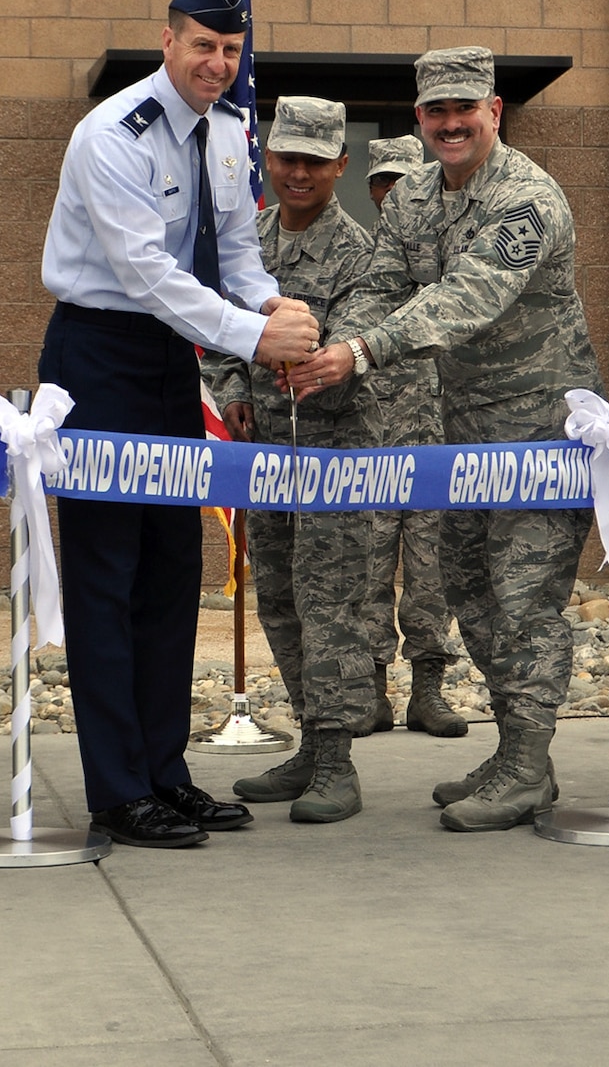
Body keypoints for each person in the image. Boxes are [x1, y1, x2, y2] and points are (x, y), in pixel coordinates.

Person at [284, 47, 601, 833]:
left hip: (536, 434)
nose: (452, 125)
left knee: (524, 596)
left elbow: (469, 298)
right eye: (436, 113)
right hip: (460, 432)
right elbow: (382, 284)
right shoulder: (415, 196)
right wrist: (338, 345)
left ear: (494, 111)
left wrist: (359, 352)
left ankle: (527, 761)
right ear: (419, 119)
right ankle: (519, 755)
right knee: (472, 590)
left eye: (467, 111)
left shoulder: (529, 199)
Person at [40, 0, 319, 848]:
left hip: (173, 362)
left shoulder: (234, 130)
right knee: (106, 581)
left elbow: (235, 248)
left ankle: (166, 771)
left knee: (168, 574)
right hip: (100, 356)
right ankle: (118, 790)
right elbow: (146, 276)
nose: (217, 63)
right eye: (203, 45)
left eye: (231, 50)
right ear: (169, 41)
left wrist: (269, 304)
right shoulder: (111, 134)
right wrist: (250, 336)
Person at [206, 98, 376, 822]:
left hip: (334, 454)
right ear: (265, 160)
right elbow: (218, 324)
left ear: (342, 163)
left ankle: (338, 758)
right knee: (275, 594)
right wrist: (235, 386)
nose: (297, 173)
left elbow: (364, 340)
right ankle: (311, 735)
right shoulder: (249, 243)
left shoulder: (361, 253)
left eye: (314, 160)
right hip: (266, 456)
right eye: (286, 158)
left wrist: (322, 361)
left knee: (327, 602)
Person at [361, 133, 465, 739]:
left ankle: (429, 691)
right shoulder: (361, 259)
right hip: (371, 448)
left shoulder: (445, 257)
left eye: (406, 179)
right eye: (384, 181)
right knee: (367, 573)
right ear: (372, 187)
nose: (394, 190)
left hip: (432, 445)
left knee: (432, 574)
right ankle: (373, 691)